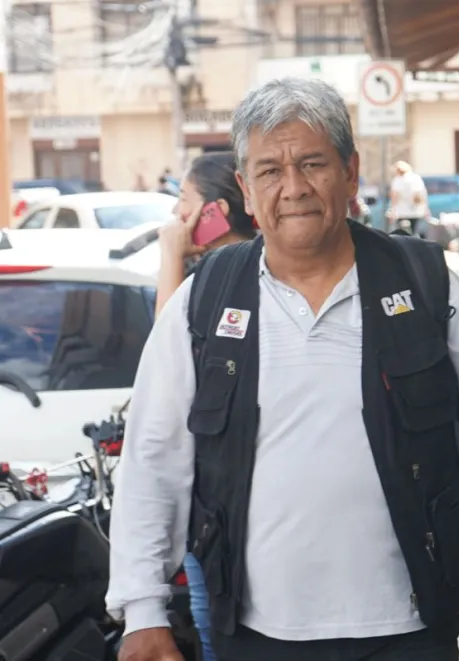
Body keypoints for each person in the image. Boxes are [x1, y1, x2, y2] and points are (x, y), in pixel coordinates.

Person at [108, 77, 459, 661]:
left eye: (312, 163)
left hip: (411, 624)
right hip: (258, 632)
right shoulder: (204, 302)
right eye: (269, 170)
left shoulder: (424, 283)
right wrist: (143, 607)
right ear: (245, 188)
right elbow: (152, 460)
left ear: (349, 172)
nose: (292, 187)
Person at [153, 151, 256, 661]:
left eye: (185, 202)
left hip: (217, 510)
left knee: (216, 631)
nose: (176, 216)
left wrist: (170, 255)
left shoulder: (216, 281)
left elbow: (163, 365)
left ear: (213, 212)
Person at [156, 151, 256, 315]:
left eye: (183, 199)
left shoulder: (220, 276)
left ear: (217, 209)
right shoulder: (260, 258)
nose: (175, 210)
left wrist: (171, 255)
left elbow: (166, 336)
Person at [388, 160, 429, 237]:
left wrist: (392, 211)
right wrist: (425, 209)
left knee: (401, 234)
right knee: (415, 232)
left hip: (401, 212)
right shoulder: (416, 178)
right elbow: (422, 195)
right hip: (416, 211)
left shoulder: (397, 180)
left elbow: (394, 196)